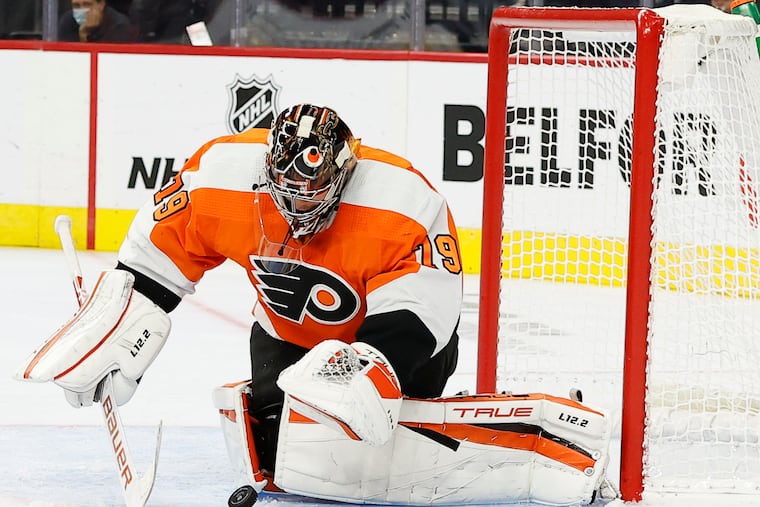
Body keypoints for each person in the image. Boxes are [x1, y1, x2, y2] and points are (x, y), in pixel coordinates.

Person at [58, 0, 136, 42]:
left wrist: (85, 34)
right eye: (76, 5)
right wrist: (83, 35)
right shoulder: (67, 21)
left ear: (101, 5)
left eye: (87, 4)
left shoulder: (120, 27)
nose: (81, 10)